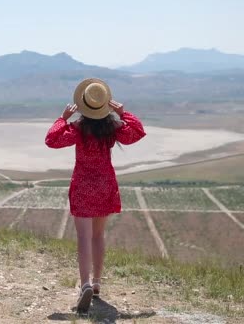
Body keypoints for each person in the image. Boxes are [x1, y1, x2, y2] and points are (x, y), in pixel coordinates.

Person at [44, 78, 146, 313]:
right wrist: (123, 112)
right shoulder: (112, 128)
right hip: (105, 185)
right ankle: (97, 284)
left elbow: (51, 140)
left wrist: (62, 119)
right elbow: (138, 132)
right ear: (104, 104)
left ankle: (85, 285)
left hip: (82, 185)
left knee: (83, 237)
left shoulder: (78, 129)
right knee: (98, 236)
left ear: (83, 104)